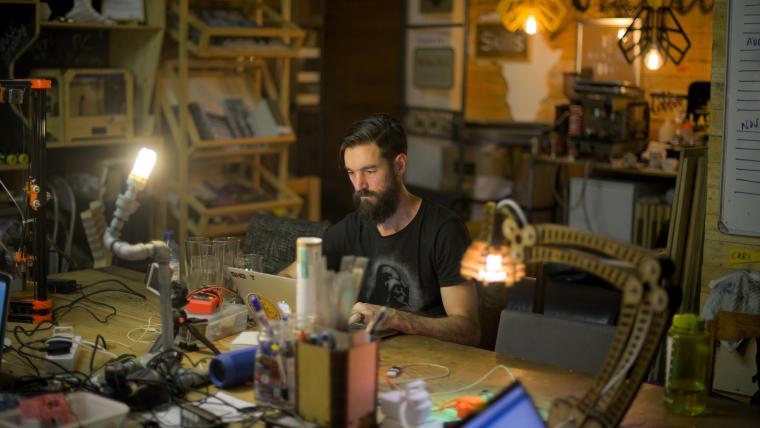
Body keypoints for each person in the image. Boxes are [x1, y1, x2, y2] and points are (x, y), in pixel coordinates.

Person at [324, 113, 480, 346]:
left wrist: (398, 319)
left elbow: (469, 330)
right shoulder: (351, 228)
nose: (359, 185)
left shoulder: (444, 229)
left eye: (369, 171)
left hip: (436, 365)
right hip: (376, 360)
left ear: (399, 165)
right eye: (351, 173)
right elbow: (293, 274)